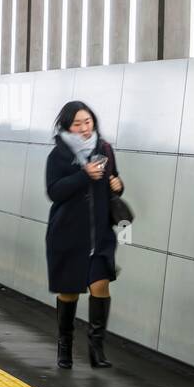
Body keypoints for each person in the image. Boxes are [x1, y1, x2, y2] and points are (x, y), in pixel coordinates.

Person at [45, 101, 124, 369]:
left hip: (100, 234)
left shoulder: (105, 150)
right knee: (69, 293)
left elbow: (114, 184)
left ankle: (96, 349)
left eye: (87, 121)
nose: (84, 128)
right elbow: (54, 191)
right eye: (77, 123)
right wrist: (83, 175)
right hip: (68, 235)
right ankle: (64, 347)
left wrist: (117, 184)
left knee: (100, 287)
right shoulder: (59, 155)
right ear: (67, 126)